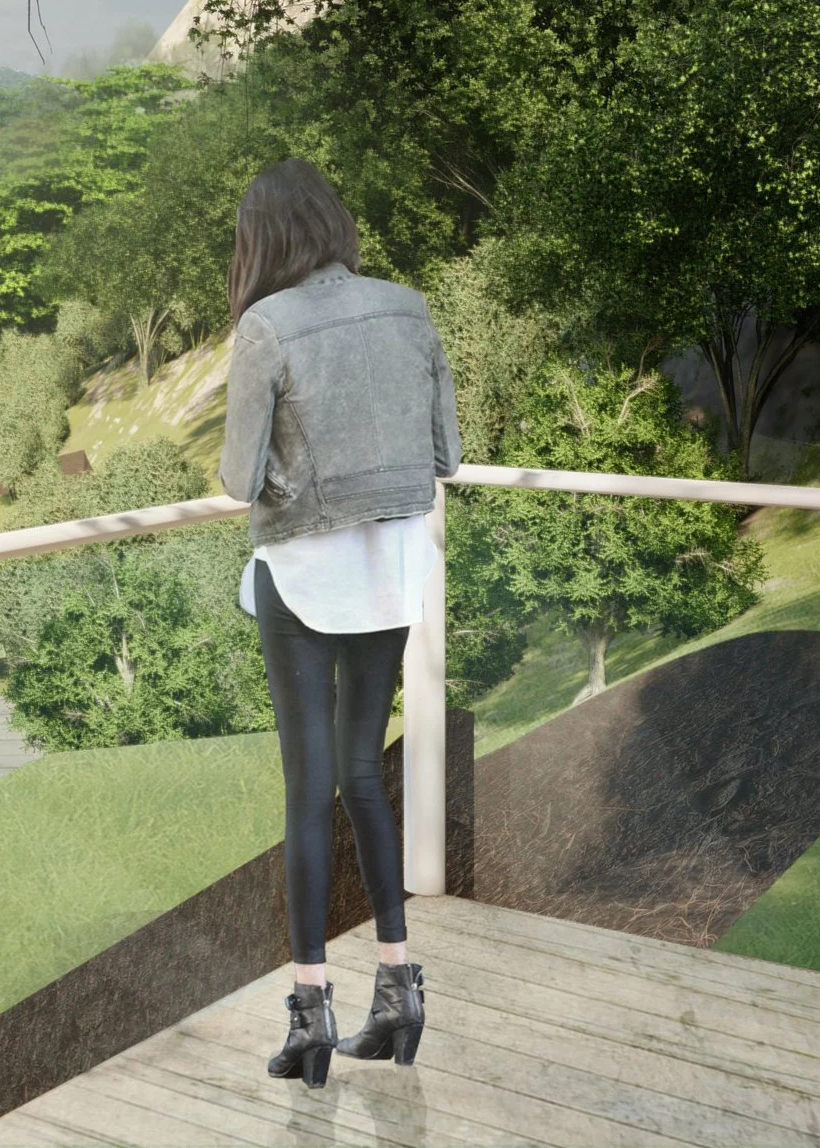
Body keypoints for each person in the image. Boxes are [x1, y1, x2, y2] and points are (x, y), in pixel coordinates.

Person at [217, 159, 459, 1089]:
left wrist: (292, 482)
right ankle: (399, 983)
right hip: (394, 567)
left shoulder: (264, 327)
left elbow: (239, 482)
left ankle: (309, 1007)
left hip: (308, 572)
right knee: (364, 771)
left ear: (263, 241)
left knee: (306, 785)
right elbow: (448, 453)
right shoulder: (409, 306)